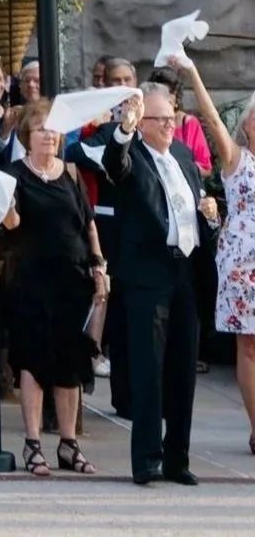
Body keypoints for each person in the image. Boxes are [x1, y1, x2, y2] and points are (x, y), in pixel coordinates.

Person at [97, 82, 202, 486]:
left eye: (173, 117)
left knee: (182, 370)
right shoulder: (131, 154)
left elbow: (190, 204)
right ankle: (146, 458)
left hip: (185, 271)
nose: (171, 126)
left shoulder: (182, 155)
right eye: (161, 119)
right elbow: (114, 163)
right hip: (147, 275)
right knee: (148, 369)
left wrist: (207, 216)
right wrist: (125, 128)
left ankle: (178, 457)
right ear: (144, 123)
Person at [0, 97, 101, 477]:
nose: (49, 136)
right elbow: (10, 225)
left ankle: (69, 444)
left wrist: (99, 265)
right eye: (42, 129)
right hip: (32, 278)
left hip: (72, 278)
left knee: (70, 363)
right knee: (34, 360)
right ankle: (33, 443)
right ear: (28, 135)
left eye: (54, 129)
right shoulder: (13, 172)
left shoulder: (71, 172)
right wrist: (5, 206)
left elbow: (88, 224)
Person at [178, 58, 255, 451]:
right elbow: (209, 117)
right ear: (247, 125)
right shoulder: (238, 160)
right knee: (249, 344)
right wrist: (192, 74)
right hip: (244, 264)